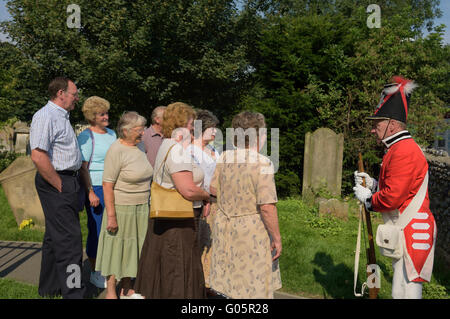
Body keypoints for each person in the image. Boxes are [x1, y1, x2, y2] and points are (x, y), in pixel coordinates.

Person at [353, 76, 436, 299]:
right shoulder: (398, 149)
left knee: (405, 292)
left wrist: (369, 200)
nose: (373, 129)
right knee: (400, 289)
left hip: (411, 232)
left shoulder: (403, 151)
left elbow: (393, 198)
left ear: (392, 123)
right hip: (405, 229)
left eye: (377, 123)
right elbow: (399, 187)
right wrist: (373, 184)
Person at [134, 102, 211, 299]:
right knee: (176, 269)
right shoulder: (177, 150)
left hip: (168, 219)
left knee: (164, 266)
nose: (193, 127)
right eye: (191, 122)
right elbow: (187, 189)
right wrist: (206, 195)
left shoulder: (167, 145)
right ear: (182, 123)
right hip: (178, 220)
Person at [208, 111, 282, 299]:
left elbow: (213, 189)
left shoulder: (224, 158)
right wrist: (277, 237)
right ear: (259, 136)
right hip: (250, 233)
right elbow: (267, 206)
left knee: (228, 286)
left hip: (225, 226)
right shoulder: (262, 163)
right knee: (252, 287)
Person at [30, 76, 86, 299]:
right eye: (74, 94)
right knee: (70, 241)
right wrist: (59, 184)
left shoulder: (62, 116)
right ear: (61, 93)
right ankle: (74, 294)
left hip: (66, 180)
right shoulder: (46, 116)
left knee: (55, 237)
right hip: (57, 181)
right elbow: (38, 155)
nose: (77, 98)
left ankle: (49, 289)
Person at [95, 111, 153, 299]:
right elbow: (107, 185)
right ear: (126, 131)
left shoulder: (140, 146)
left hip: (141, 206)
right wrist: (111, 215)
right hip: (121, 208)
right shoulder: (116, 150)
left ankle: (127, 288)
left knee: (134, 248)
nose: (143, 133)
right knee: (116, 249)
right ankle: (111, 290)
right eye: (139, 129)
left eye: (143, 129)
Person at [77, 96, 117, 289]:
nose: (106, 116)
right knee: (98, 230)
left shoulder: (112, 134)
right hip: (97, 188)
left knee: (113, 229)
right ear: (92, 117)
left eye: (106, 112)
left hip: (114, 186)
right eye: (102, 114)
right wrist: (90, 192)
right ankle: (95, 271)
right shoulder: (86, 136)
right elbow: (83, 168)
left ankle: (112, 267)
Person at [187, 109, 219, 291]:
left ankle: (208, 282)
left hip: (216, 202)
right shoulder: (191, 151)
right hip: (201, 203)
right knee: (199, 242)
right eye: (211, 128)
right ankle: (196, 282)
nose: (215, 132)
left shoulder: (214, 149)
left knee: (211, 244)